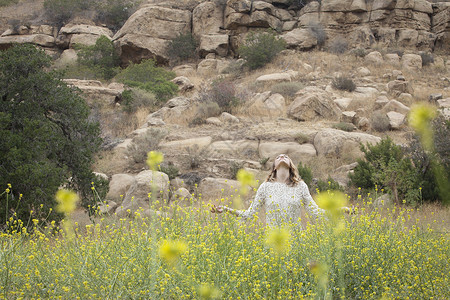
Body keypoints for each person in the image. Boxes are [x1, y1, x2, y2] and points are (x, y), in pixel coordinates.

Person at [211, 154, 349, 227]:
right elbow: (249, 214)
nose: (282, 157)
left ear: (291, 165)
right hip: (273, 242)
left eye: (286, 157)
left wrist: (339, 210)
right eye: (278, 157)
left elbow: (315, 212)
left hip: (296, 241)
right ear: (274, 167)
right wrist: (227, 210)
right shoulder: (265, 187)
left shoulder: (301, 186)